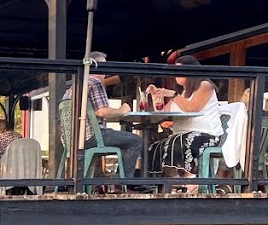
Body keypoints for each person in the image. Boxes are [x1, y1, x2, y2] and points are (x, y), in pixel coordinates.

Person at [62, 50, 143, 178]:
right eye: (104, 66)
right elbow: (101, 111)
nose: (106, 71)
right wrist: (122, 110)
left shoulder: (74, 87)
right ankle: (122, 183)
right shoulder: (95, 82)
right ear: (96, 67)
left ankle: (114, 179)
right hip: (91, 137)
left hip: (72, 140)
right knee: (135, 141)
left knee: (122, 140)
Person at [148, 54, 225, 177]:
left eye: (180, 71)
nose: (176, 75)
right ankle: (171, 184)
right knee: (156, 147)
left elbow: (192, 109)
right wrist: (156, 95)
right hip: (181, 134)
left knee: (179, 145)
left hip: (206, 134)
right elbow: (164, 113)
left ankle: (190, 181)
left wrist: (173, 95)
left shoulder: (205, 85)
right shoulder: (182, 92)